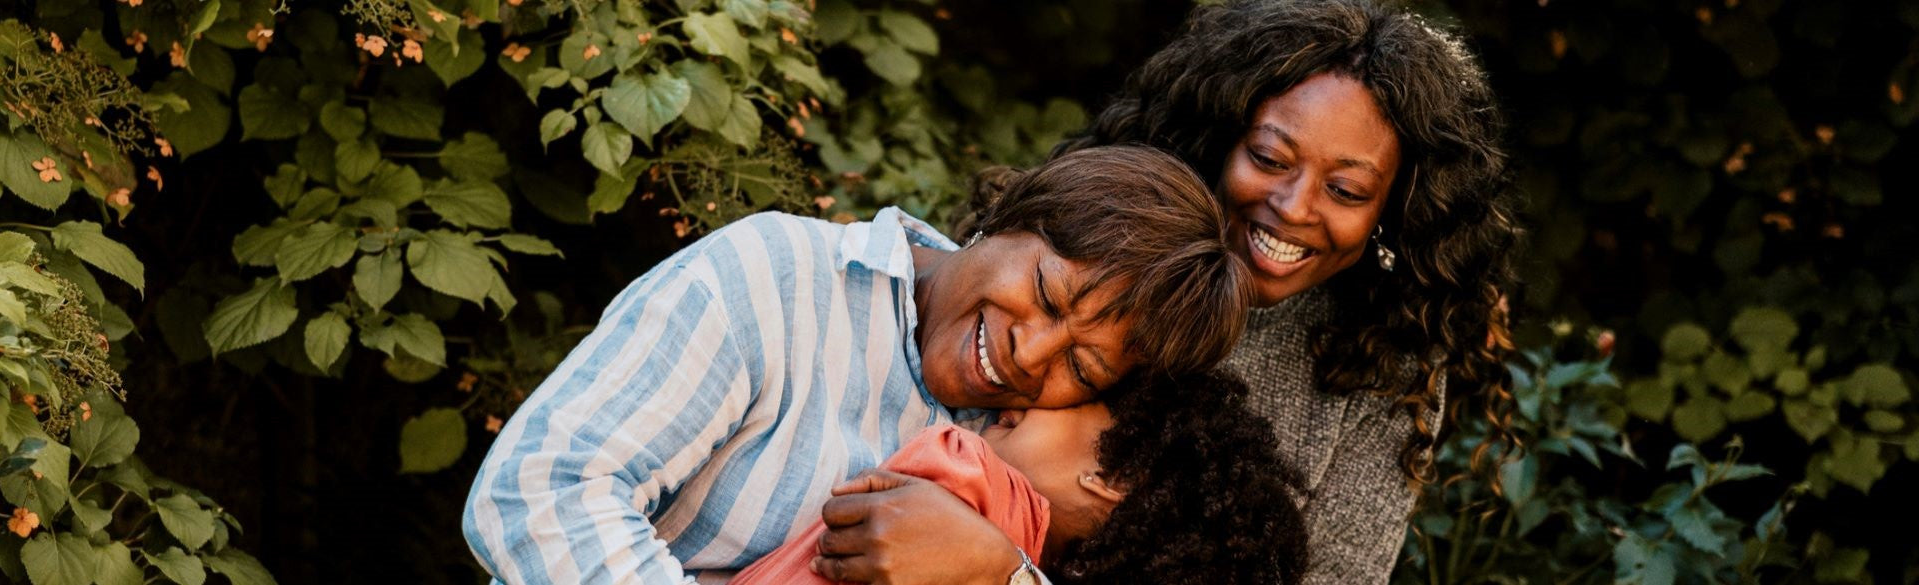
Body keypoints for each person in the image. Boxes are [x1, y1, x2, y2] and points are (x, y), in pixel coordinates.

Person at [809, 1, 1522, 583]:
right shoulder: (1106, 246)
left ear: (1393, 212)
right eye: (1269, 158)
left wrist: (1006, 574)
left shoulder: (1384, 364)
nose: (1295, 206)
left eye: (1344, 190)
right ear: (1221, 136)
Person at [461, 145, 1253, 584]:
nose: (1031, 354)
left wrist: (996, 571)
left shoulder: (1014, 454)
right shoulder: (778, 277)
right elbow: (540, 489)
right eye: (1046, 294)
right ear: (1016, 215)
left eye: (1082, 365)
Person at [734, 372, 1307, 585]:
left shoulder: (967, 469)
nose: (1033, 392)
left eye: (1081, 395)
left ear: (1113, 472)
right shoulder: (1013, 557)